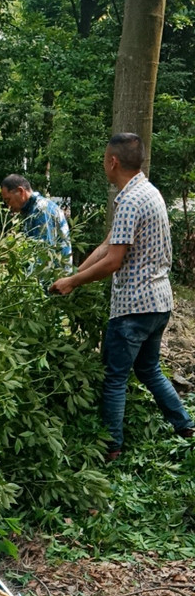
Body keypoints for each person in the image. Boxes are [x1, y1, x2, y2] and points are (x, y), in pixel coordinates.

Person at [50, 133, 193, 459]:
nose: (104, 163)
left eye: (104, 158)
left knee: (114, 378)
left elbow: (114, 261)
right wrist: (73, 277)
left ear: (112, 161)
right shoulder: (147, 191)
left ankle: (111, 449)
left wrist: (73, 284)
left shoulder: (129, 201)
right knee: (149, 369)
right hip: (159, 304)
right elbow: (107, 246)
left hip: (133, 307)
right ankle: (185, 425)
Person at [0, 174, 72, 269]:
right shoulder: (31, 211)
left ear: (21, 191)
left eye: (8, 200)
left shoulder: (41, 210)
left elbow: (44, 256)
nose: (8, 206)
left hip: (54, 279)